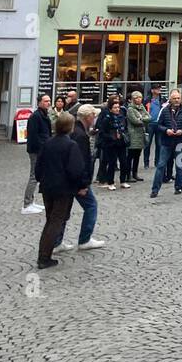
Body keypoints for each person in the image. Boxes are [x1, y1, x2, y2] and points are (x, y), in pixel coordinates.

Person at [34, 111, 89, 268]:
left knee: (51, 219)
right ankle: (44, 257)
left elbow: (38, 168)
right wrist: (82, 185)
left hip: (47, 187)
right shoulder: (70, 145)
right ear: (70, 127)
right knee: (56, 221)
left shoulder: (47, 143)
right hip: (62, 189)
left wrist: (42, 180)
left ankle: (44, 253)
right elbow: (76, 170)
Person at [55, 105, 104, 253]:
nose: (95, 118)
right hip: (76, 181)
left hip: (66, 179)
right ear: (88, 117)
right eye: (94, 116)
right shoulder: (80, 135)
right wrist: (83, 184)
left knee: (64, 210)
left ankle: (57, 242)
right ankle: (85, 239)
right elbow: (80, 162)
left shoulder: (75, 131)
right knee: (91, 206)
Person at [150, 89, 182, 198]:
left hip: (180, 142)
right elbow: (158, 125)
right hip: (167, 142)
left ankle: (178, 187)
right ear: (170, 99)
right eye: (174, 98)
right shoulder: (164, 111)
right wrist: (166, 130)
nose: (177, 100)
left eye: (178, 98)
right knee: (161, 166)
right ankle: (155, 190)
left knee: (180, 167)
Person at [23, 93, 53, 214]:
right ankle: (26, 204)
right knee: (34, 176)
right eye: (46, 101)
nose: (49, 103)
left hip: (41, 150)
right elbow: (34, 136)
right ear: (39, 102)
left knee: (38, 176)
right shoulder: (35, 116)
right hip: (36, 151)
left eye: (49, 101)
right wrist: (42, 149)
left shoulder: (43, 115)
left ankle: (31, 201)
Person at [95, 96, 128, 189]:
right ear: (110, 108)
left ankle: (123, 181)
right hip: (111, 144)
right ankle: (110, 182)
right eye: (115, 107)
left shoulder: (122, 117)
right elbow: (102, 132)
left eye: (118, 107)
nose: (117, 109)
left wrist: (123, 134)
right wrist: (111, 137)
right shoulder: (107, 118)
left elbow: (125, 128)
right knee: (112, 163)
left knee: (124, 162)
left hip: (121, 143)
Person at [124, 91, 149, 182]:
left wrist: (142, 119)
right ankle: (128, 175)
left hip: (141, 134)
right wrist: (143, 119)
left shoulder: (142, 107)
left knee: (137, 156)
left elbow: (149, 117)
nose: (139, 99)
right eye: (137, 98)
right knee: (130, 156)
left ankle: (135, 173)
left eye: (140, 97)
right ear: (133, 99)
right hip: (133, 135)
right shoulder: (130, 109)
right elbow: (135, 121)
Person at [144, 86, 164, 169]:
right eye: (157, 88)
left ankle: (157, 162)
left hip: (159, 124)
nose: (158, 90)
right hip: (150, 124)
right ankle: (146, 163)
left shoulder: (162, 99)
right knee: (147, 144)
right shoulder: (147, 100)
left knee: (159, 144)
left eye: (159, 88)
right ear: (152, 90)